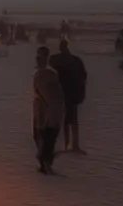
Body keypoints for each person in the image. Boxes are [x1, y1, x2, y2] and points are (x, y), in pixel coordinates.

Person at [48, 39, 88, 153]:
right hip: (68, 93)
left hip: (68, 93)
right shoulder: (72, 60)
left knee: (68, 119)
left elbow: (83, 76)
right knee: (70, 119)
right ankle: (70, 145)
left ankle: (70, 145)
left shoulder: (63, 60)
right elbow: (83, 76)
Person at [32, 46, 65, 174]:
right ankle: (45, 162)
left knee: (43, 138)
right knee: (46, 138)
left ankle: (45, 162)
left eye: (39, 57)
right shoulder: (51, 74)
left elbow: (45, 95)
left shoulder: (42, 74)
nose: (37, 59)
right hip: (53, 110)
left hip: (46, 112)